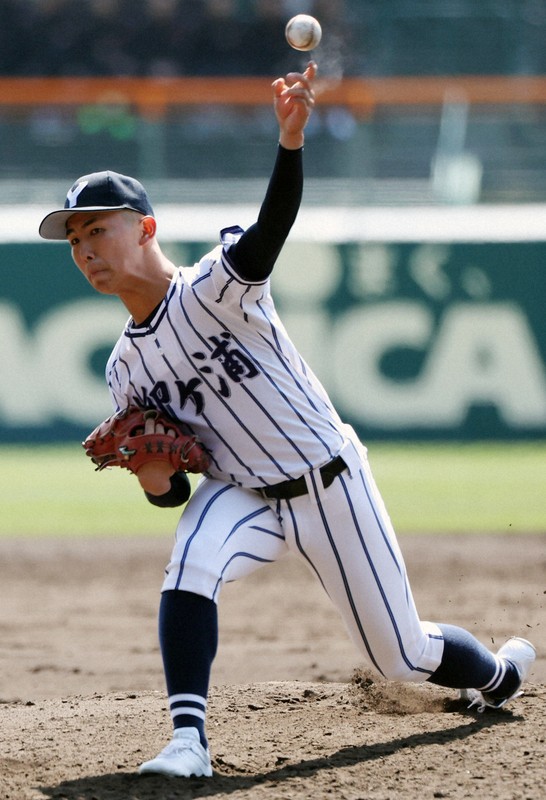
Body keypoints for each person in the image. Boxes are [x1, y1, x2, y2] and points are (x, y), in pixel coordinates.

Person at [39, 61, 535, 779]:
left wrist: (291, 141)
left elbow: (271, 226)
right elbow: (172, 492)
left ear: (145, 227)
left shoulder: (215, 288)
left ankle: (497, 675)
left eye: (97, 230)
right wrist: (154, 481)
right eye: (74, 240)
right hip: (243, 494)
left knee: (400, 655)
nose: (84, 249)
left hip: (330, 482)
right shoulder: (125, 369)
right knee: (190, 563)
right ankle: (188, 742)